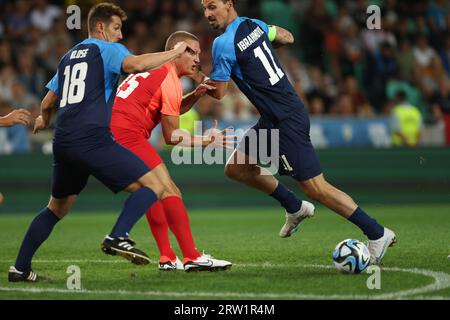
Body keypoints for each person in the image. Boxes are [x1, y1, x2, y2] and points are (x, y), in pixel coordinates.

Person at [201, 0, 396, 265]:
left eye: (212, 6)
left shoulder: (222, 44)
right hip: (276, 115)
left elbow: (220, 92)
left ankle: (377, 232)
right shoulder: (254, 25)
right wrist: (263, 46)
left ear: (228, 4)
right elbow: (287, 36)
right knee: (237, 168)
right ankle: (294, 206)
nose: (207, 14)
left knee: (316, 187)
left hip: (284, 120)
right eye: (204, 8)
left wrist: (197, 76)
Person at [8, 2, 189, 282]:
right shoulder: (106, 49)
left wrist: (43, 120)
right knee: (155, 185)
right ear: (101, 27)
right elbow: (137, 65)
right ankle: (118, 235)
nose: (120, 35)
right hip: (92, 138)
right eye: (116, 28)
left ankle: (20, 268)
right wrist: (174, 53)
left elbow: (48, 101)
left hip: (63, 141)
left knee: (56, 208)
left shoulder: (68, 56)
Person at [111, 31, 232, 271]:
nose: (197, 58)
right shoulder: (169, 77)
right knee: (169, 189)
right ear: (175, 50)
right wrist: (205, 141)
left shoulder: (155, 71)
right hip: (127, 134)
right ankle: (192, 256)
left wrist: (194, 96)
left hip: (112, 133)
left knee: (152, 191)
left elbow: (166, 109)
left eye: (198, 52)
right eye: (190, 51)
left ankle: (167, 257)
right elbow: (172, 136)